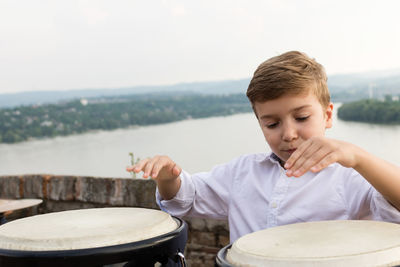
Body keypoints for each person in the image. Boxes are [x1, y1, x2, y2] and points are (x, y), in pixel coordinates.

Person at [126, 51, 400, 242]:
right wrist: (167, 178)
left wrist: (358, 157)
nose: (289, 134)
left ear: (328, 115)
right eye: (272, 124)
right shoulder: (243, 172)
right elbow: (187, 197)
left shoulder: (348, 179)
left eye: (302, 118)